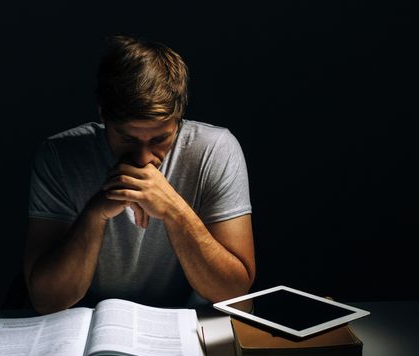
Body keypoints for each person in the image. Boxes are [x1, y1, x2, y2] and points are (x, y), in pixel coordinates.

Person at [23, 35, 256, 315]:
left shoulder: (216, 150)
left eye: (160, 139)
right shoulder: (58, 157)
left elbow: (234, 291)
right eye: (127, 139)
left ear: (179, 117)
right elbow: (47, 301)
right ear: (103, 115)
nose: (144, 158)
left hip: (191, 326)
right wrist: (95, 214)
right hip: (89, 328)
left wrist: (173, 210)